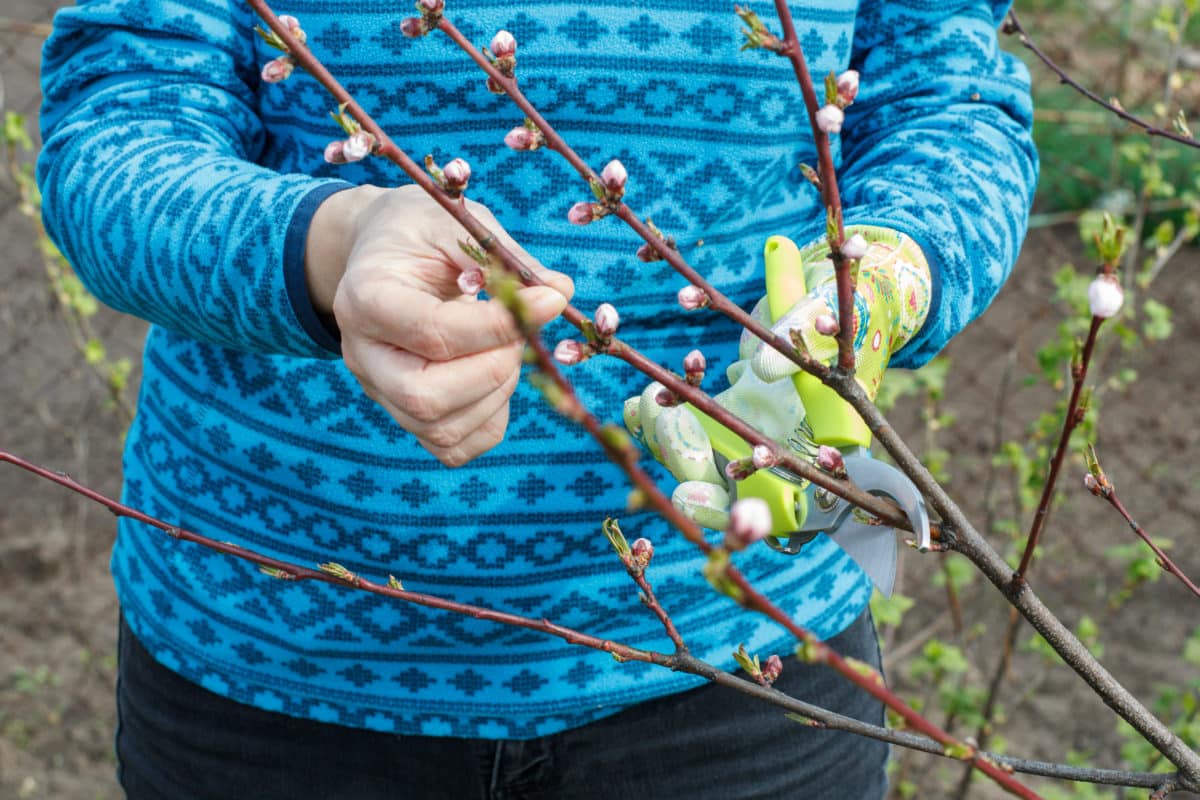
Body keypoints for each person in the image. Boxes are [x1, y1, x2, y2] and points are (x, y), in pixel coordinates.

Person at [36, 0, 1036, 796]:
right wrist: (332, 248)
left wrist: (890, 268)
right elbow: (116, 127)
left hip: (748, 672)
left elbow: (946, 98)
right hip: (275, 657)